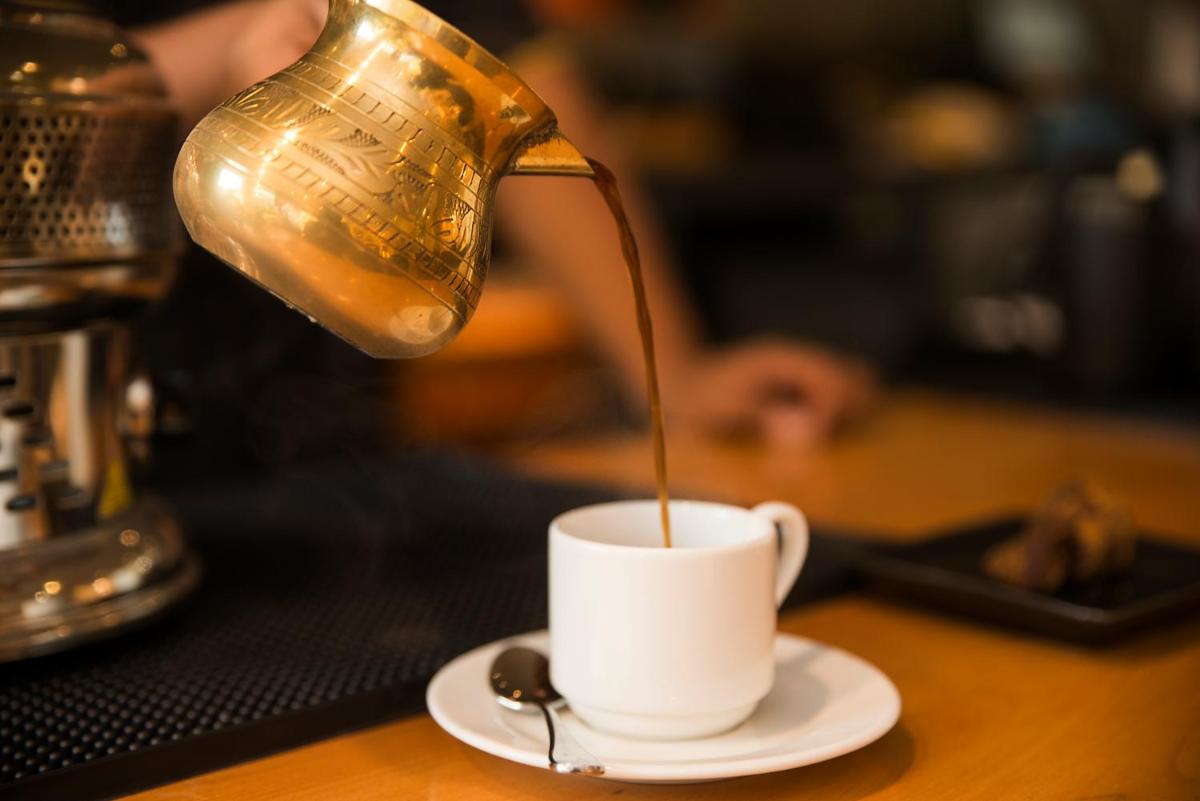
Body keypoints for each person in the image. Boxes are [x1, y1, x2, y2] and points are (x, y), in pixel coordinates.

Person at [135, 0, 876, 449]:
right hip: (112, 374)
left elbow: (509, 88)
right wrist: (247, 28)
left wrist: (672, 381)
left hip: (333, 399)